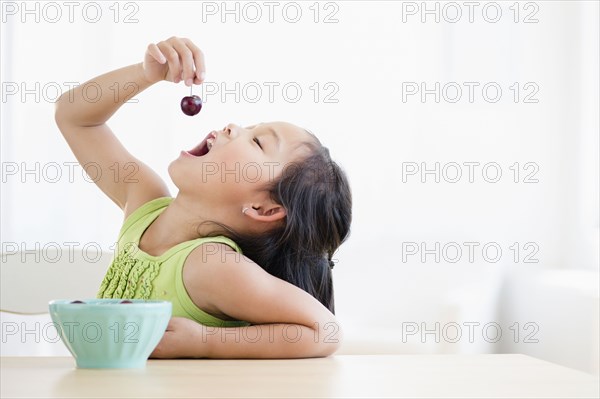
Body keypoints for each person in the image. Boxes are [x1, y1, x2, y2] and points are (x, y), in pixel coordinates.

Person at [54, 36, 352, 359]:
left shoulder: (211, 265)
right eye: (250, 127)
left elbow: (327, 330)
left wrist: (205, 341)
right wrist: (146, 74)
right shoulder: (144, 202)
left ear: (263, 208)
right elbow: (73, 116)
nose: (232, 127)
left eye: (258, 142)